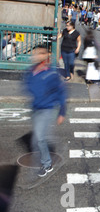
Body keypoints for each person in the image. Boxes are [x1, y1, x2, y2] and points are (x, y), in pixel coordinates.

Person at [23, 45, 67, 177]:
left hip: (47, 109)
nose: (35, 56)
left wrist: (62, 112)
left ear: (46, 56)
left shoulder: (51, 74)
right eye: (34, 53)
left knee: (40, 138)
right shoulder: (30, 72)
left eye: (39, 53)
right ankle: (45, 155)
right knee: (38, 138)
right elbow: (28, 87)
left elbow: (61, 93)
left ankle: (47, 164)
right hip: (36, 108)